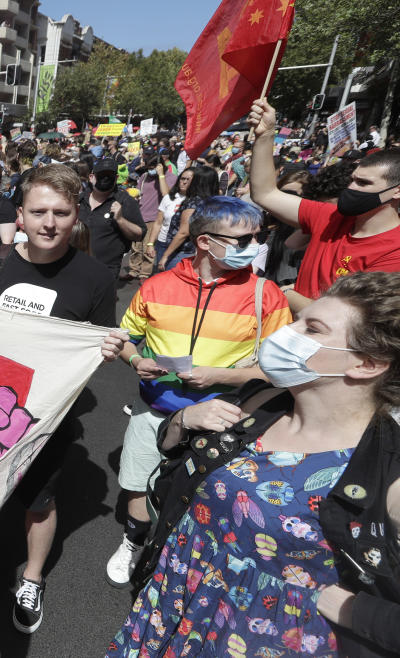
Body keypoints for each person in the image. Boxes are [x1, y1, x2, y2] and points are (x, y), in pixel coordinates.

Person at [105, 270, 400, 657]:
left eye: (311, 329)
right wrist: (180, 423)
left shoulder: (386, 476)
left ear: (366, 364)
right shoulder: (262, 400)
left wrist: (356, 611)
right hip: (172, 600)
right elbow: (180, 473)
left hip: (251, 638)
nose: (285, 333)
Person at [0, 165, 115, 634]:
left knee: (37, 500)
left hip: (47, 416)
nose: (49, 222)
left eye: (61, 212)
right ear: (19, 215)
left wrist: (107, 350)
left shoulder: (96, 278)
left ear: (76, 215)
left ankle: (33, 577)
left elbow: (96, 346)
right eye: (38, 211)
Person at [102, 195, 293, 588]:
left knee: (202, 499)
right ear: (205, 241)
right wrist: (137, 362)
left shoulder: (266, 296)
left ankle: (177, 558)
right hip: (153, 409)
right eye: (241, 240)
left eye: (257, 237)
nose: (254, 247)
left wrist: (219, 376)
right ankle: (132, 541)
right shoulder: (157, 286)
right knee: (138, 484)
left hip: (226, 420)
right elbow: (125, 338)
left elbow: (282, 372)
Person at [248, 99, 400, 314]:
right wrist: (265, 135)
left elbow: (353, 320)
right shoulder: (329, 216)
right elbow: (265, 193)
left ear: (397, 191)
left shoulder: (395, 252)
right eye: (353, 180)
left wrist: (289, 296)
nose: (351, 188)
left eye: (363, 183)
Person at [77, 158, 146, 279]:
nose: (106, 178)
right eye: (102, 175)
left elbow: (139, 234)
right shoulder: (80, 200)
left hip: (105, 271)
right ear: (92, 177)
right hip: (76, 266)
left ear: (116, 177)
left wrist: (120, 220)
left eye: (110, 175)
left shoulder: (125, 201)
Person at [155, 165, 220, 272]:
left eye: (192, 179)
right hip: (198, 251)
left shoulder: (194, 202)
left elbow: (183, 232)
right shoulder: (212, 201)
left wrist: (166, 255)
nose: (187, 182)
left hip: (181, 252)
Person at [145, 167, 192, 269]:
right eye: (182, 179)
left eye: (188, 180)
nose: (184, 182)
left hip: (182, 247)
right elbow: (158, 222)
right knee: (161, 274)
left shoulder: (194, 201)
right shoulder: (168, 198)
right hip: (162, 243)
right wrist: (150, 243)